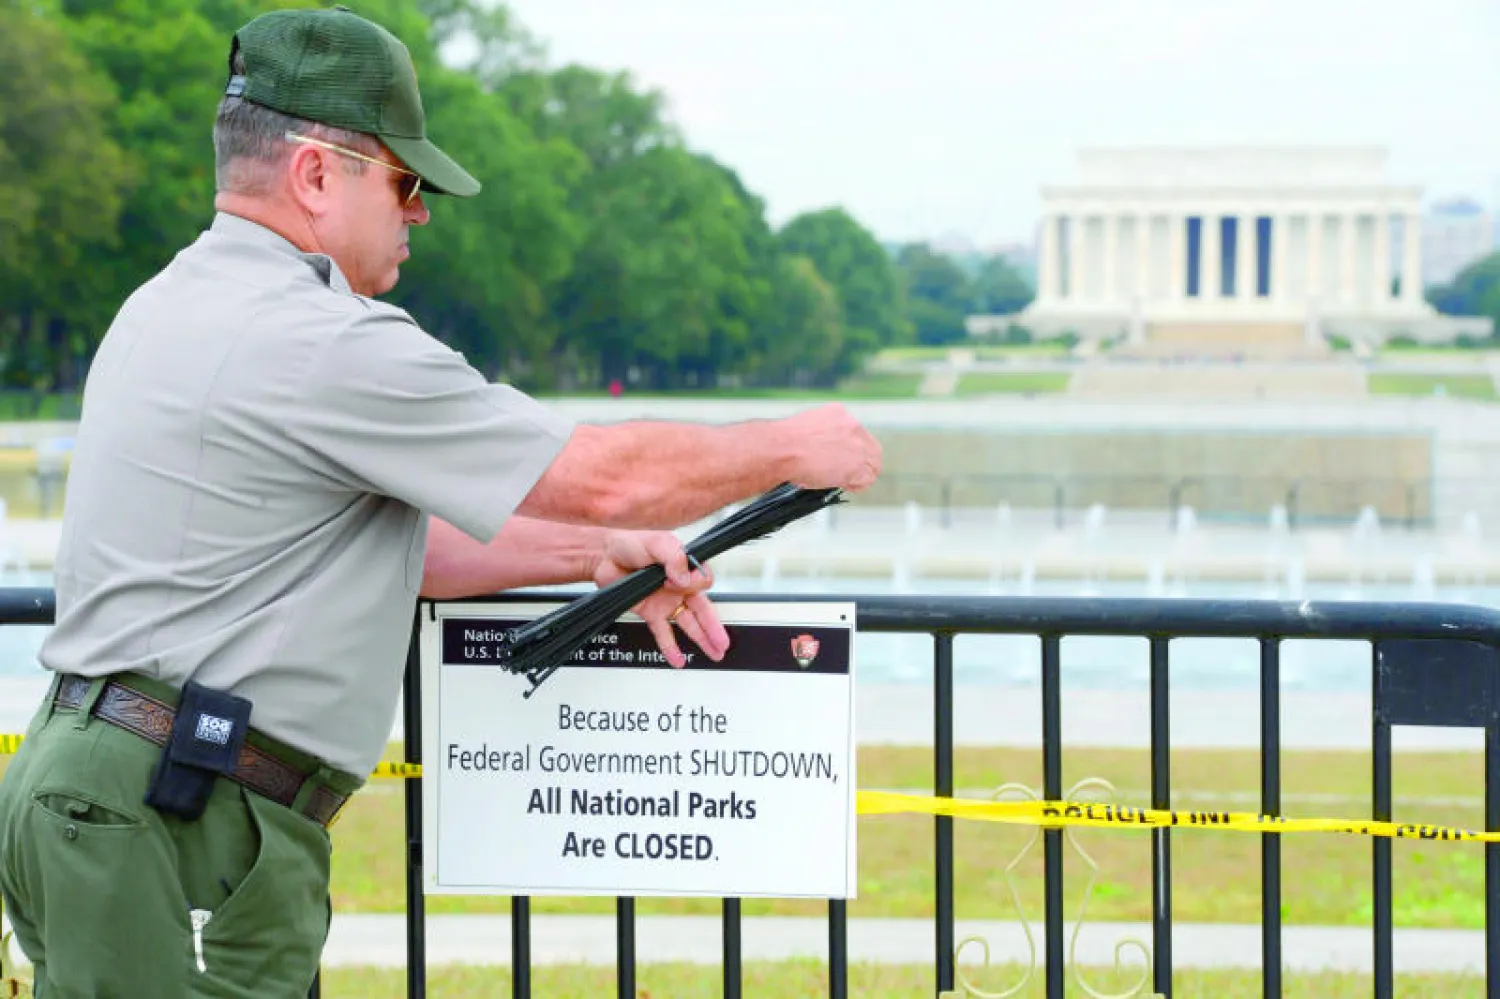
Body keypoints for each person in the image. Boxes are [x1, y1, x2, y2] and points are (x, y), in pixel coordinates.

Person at [0, 7, 881, 997]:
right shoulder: (320, 340)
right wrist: (790, 447)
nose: (419, 212)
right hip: (179, 808)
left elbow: (368, 555)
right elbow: (599, 474)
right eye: (406, 181)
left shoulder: (171, 303)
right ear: (317, 174)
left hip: (110, 786)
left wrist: (592, 560)